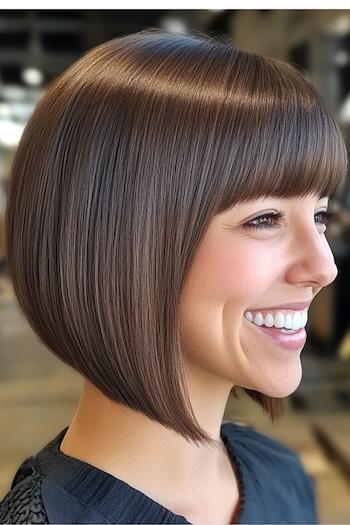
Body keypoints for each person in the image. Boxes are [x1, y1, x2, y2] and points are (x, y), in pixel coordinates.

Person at [0, 27, 347, 524]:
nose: (324, 268)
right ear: (119, 242)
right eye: (264, 219)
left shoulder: (280, 475)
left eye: (320, 216)